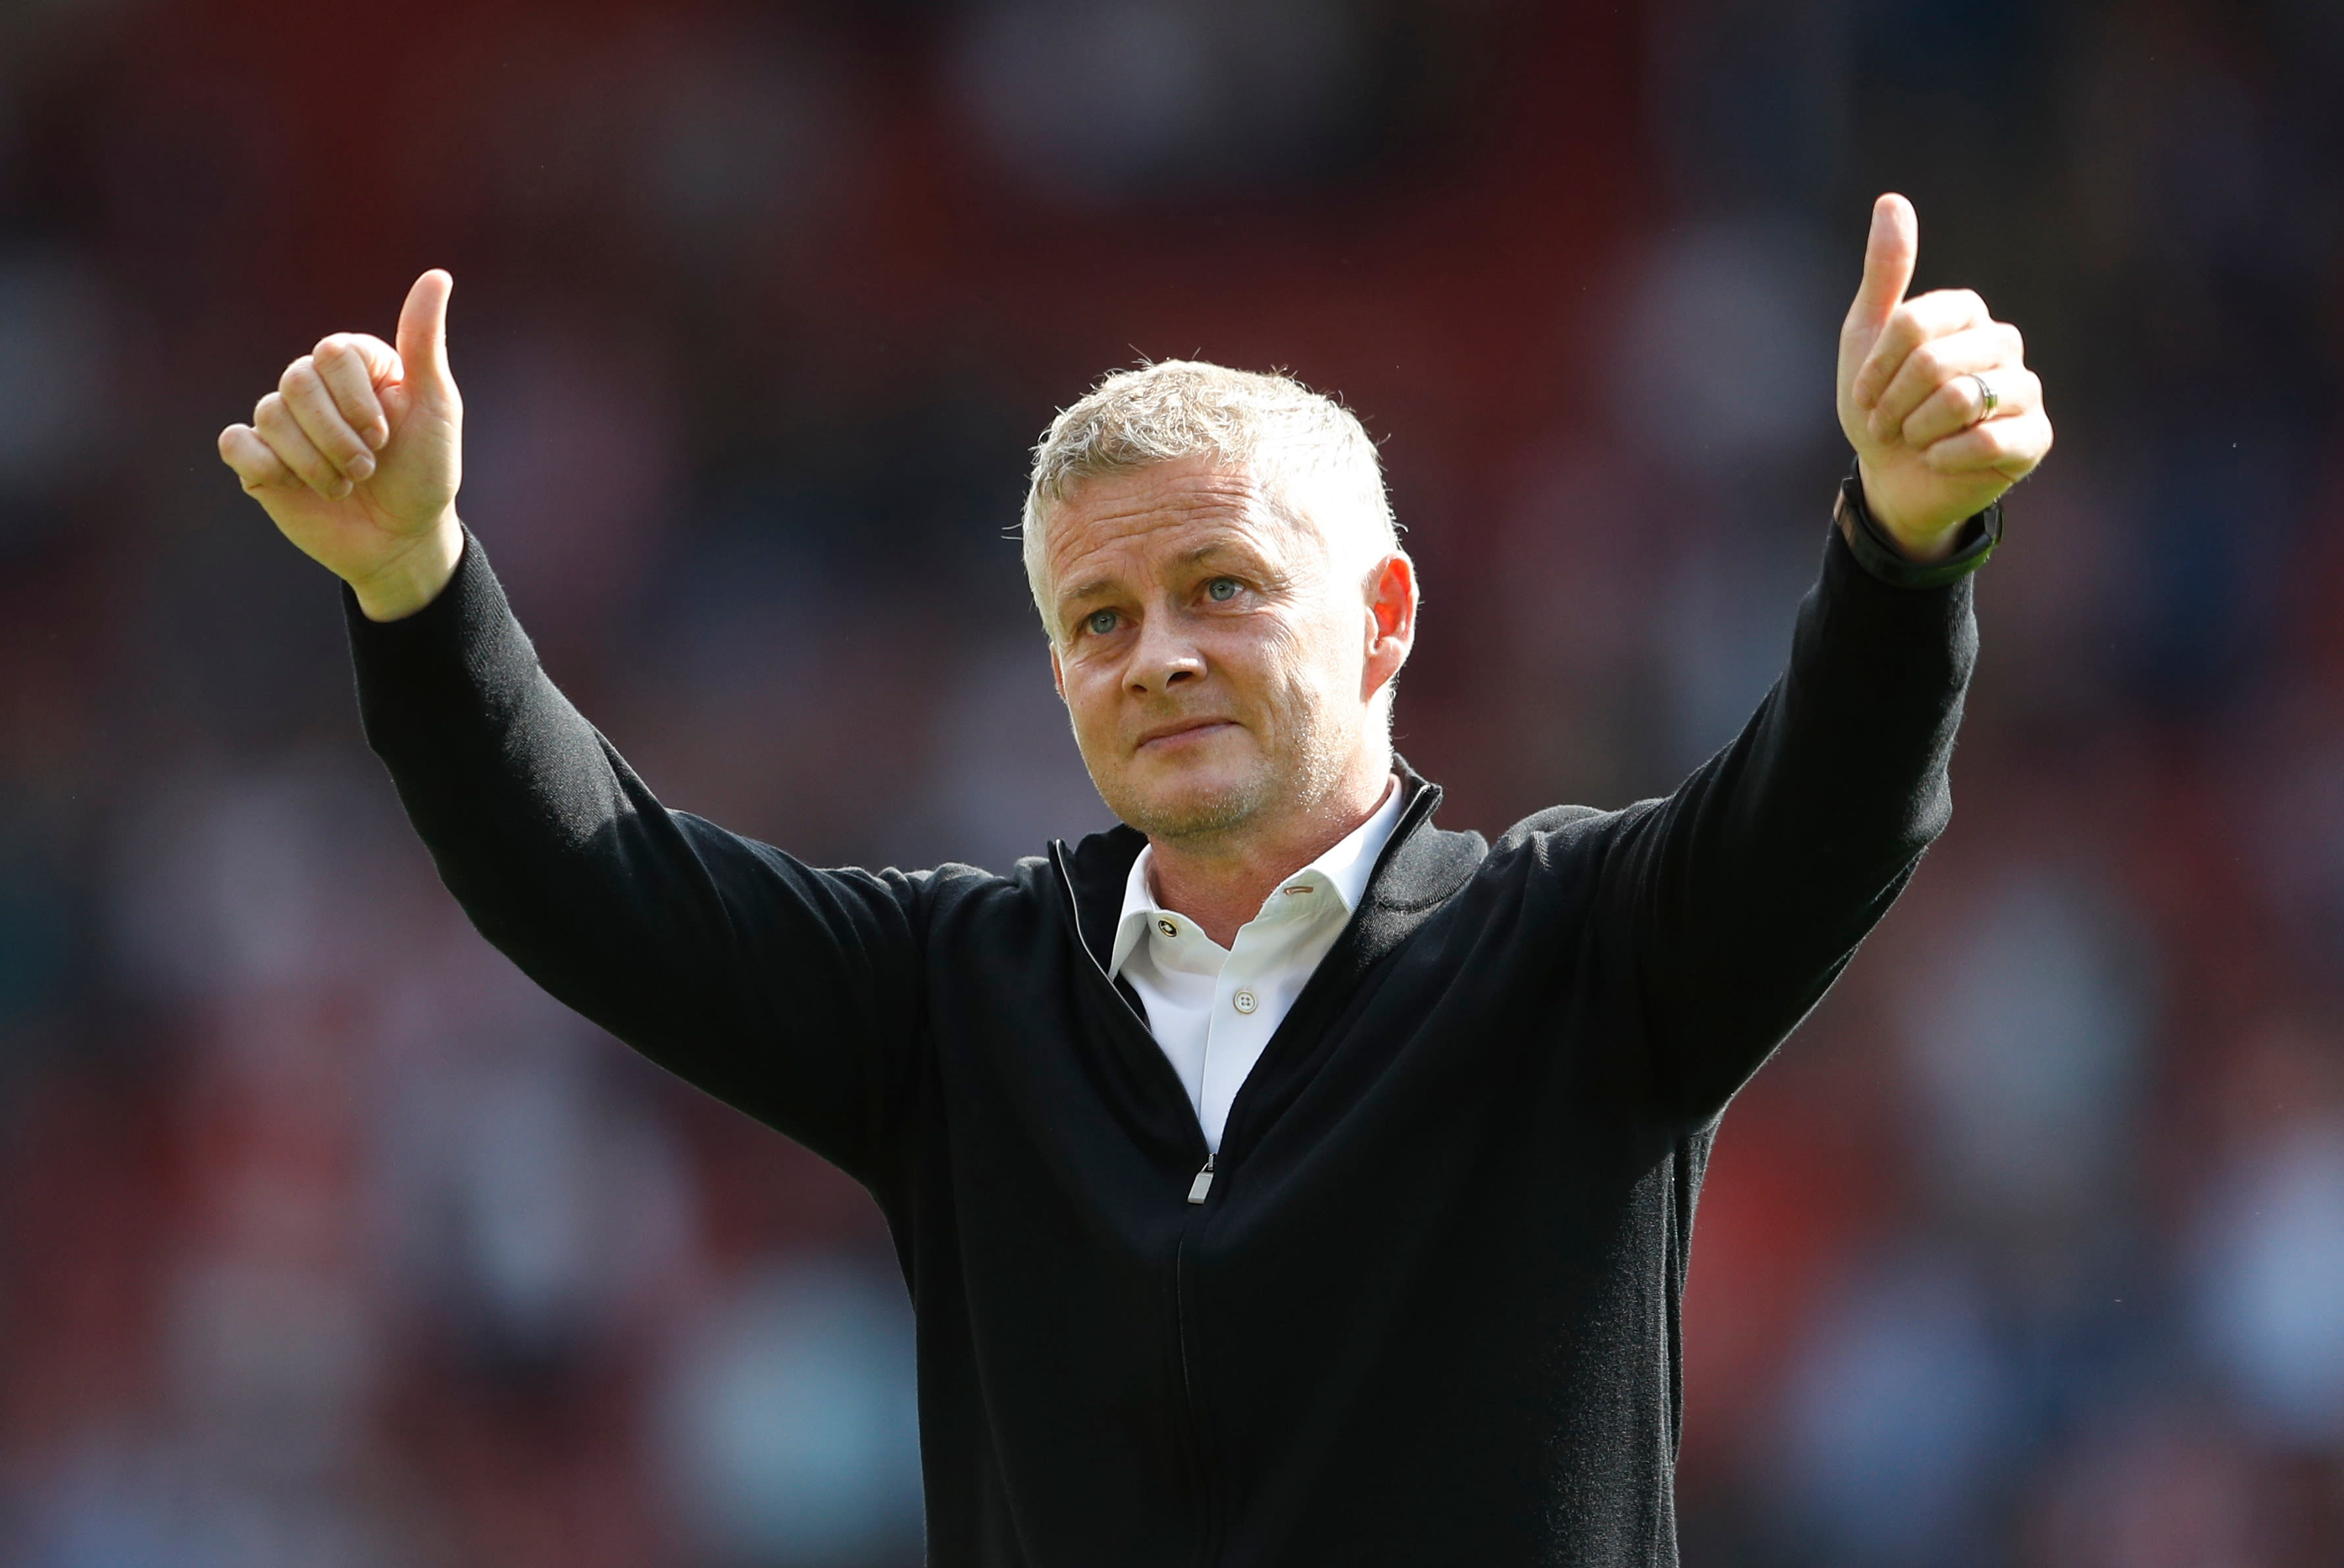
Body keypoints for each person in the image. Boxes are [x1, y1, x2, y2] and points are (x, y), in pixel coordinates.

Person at [218, 192, 2050, 1565]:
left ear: (1384, 619)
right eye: (1098, 619)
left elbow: (1833, 811)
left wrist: (1903, 547)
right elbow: (590, 882)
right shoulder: (958, 995)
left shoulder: (1579, 952)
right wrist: (413, 582)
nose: (1157, 653)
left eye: (1221, 589)